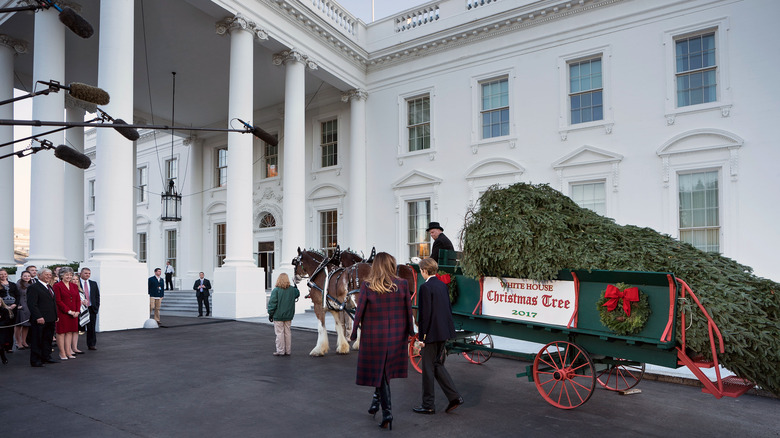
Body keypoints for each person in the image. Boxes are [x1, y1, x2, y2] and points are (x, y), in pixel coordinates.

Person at [350, 252, 414, 430]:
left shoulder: (367, 285)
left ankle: (387, 413)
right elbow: (408, 311)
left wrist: (354, 332)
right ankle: (375, 402)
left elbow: (359, 311)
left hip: (374, 337)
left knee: (383, 372)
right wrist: (410, 331)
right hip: (396, 336)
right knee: (384, 371)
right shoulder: (402, 284)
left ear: (375, 266)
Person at [413, 258, 464, 415]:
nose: (421, 273)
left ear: (425, 271)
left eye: (421, 270)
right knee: (436, 365)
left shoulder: (425, 287)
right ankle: (454, 397)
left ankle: (428, 405)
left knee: (428, 369)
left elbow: (425, 315)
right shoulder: (442, 285)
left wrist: (422, 337)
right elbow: (447, 310)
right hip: (444, 332)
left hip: (431, 334)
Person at [26, 268, 58, 367]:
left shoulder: (49, 287)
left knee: (48, 339)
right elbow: (32, 304)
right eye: (46, 274)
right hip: (40, 319)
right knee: (37, 340)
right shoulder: (34, 287)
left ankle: (46, 357)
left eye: (50, 275)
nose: (49, 276)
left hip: (51, 318)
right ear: (39, 275)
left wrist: (56, 316)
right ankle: (35, 360)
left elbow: (52, 303)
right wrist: (38, 316)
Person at [267, 273, 299, 356]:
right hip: (289, 315)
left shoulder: (276, 290)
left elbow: (272, 303)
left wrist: (270, 314)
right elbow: (297, 294)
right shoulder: (292, 290)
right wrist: (295, 285)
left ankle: (280, 350)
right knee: (287, 332)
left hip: (278, 315)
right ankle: (288, 351)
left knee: (279, 333)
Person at [53, 267, 80, 360]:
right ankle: (62, 352)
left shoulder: (74, 286)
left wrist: (77, 311)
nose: (69, 276)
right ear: (61, 275)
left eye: (70, 275)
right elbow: (58, 301)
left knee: (70, 332)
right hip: (62, 313)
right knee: (61, 332)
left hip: (74, 313)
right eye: (66, 275)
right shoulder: (57, 286)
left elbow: (77, 300)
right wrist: (69, 311)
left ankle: (68, 352)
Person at [79, 268, 100, 350]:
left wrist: (96, 307)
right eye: (85, 273)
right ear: (80, 273)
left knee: (91, 328)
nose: (87, 275)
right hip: (80, 309)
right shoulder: (76, 283)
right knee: (78, 328)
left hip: (91, 308)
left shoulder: (93, 283)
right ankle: (73, 346)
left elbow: (97, 296)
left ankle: (91, 344)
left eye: (89, 273)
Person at [0, 269, 19, 353]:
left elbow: (17, 295)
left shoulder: (13, 285)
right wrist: (4, 306)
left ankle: (9, 346)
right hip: (2, 309)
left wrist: (15, 304)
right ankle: (2, 345)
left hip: (13, 309)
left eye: (5, 274)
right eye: (1, 274)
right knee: (3, 328)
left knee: (11, 328)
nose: (3, 275)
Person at [15, 271, 32, 350]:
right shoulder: (18, 285)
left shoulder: (31, 285)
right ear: (21, 276)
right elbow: (15, 295)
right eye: (25, 276)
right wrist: (17, 305)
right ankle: (18, 342)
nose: (27, 277)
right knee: (19, 325)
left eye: (28, 276)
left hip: (29, 307)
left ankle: (24, 341)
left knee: (27, 325)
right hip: (21, 306)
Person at [70, 273, 85, 355]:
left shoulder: (80, 289)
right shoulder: (69, 288)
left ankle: (75, 347)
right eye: (73, 279)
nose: (75, 281)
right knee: (70, 331)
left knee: (76, 331)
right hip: (72, 312)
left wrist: (84, 302)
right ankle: (69, 348)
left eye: (77, 279)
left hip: (80, 312)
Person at [0, 298, 13, 364]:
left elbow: (7, 320)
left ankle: (3, 357)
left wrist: (1, 324)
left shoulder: (4, 310)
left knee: (1, 345)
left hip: (2, 330)